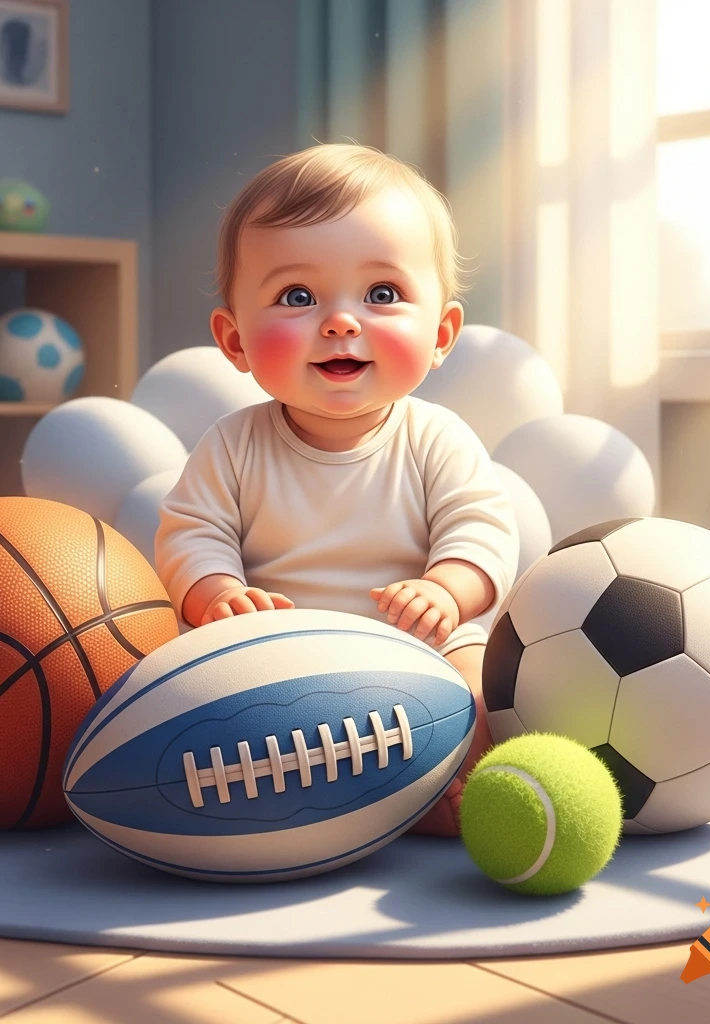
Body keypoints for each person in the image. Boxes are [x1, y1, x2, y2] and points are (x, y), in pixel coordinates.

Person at [155, 142, 519, 835]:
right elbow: (190, 534)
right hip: (274, 657)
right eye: (297, 296)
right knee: (190, 701)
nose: (341, 321)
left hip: (421, 649)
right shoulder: (233, 446)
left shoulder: (435, 439)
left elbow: (484, 532)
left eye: (382, 294)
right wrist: (216, 595)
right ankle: (293, 805)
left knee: (482, 686)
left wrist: (446, 591)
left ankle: (465, 785)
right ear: (234, 342)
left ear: (441, 334)